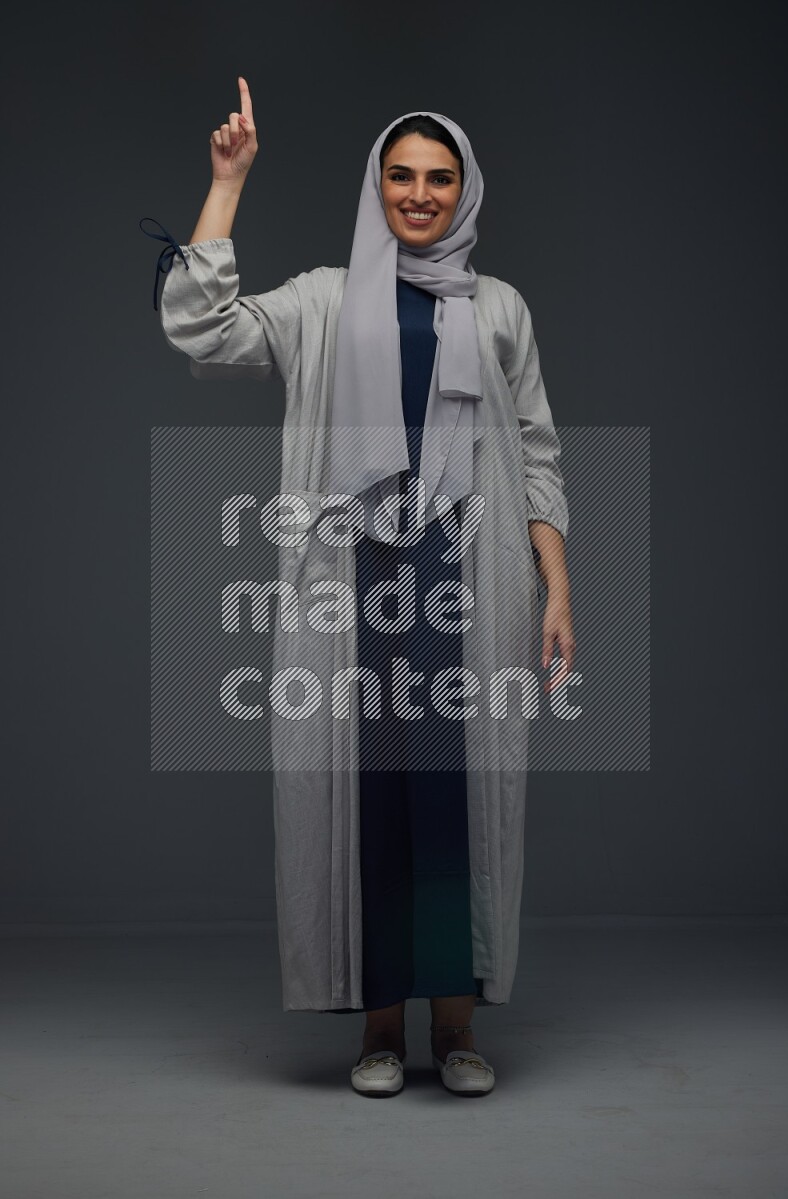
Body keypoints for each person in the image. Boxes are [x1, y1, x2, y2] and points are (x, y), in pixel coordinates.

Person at [142, 77, 576, 1098]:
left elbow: (541, 455)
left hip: (468, 583)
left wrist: (557, 587)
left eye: (438, 178)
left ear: (464, 191)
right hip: (353, 587)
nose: (418, 195)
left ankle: (458, 1026)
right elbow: (205, 332)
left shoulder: (500, 308)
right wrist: (226, 183)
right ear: (376, 185)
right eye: (400, 176)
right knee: (364, 795)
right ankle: (380, 1028)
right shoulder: (327, 298)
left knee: (459, 797)